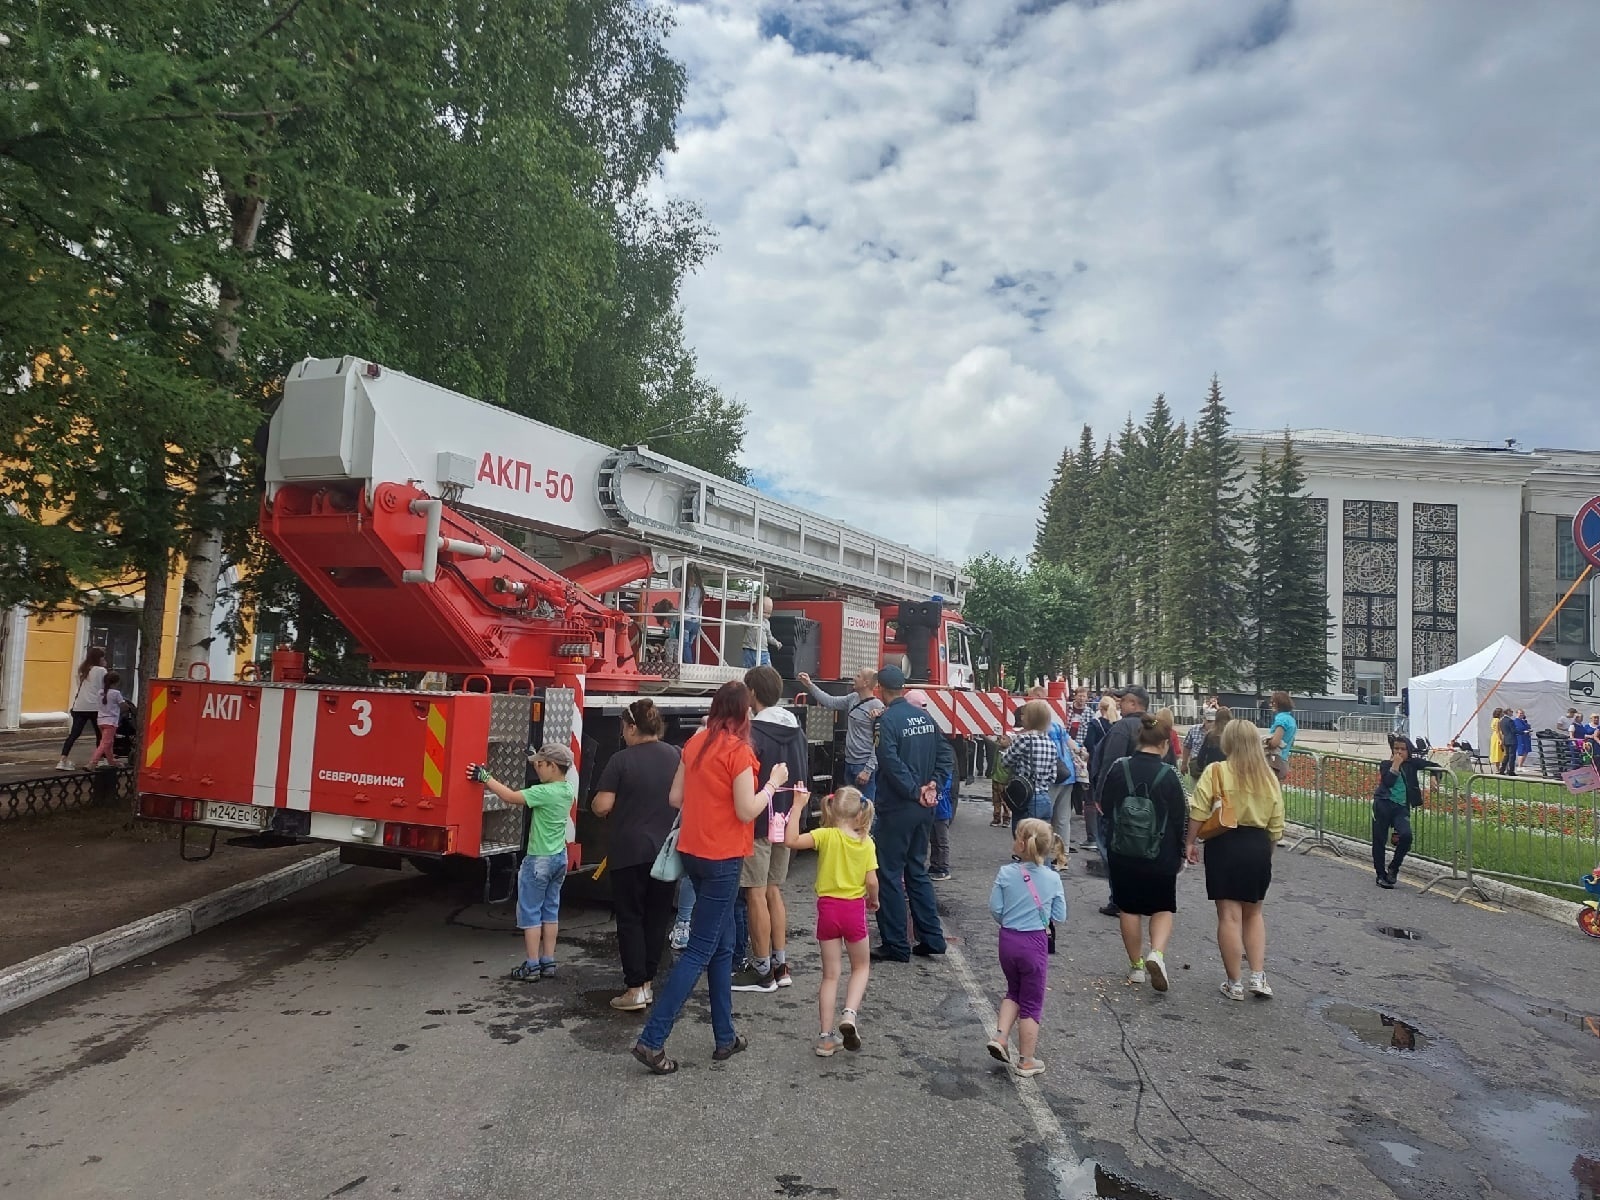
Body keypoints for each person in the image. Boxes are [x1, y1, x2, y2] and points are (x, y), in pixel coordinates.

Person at [633, 681, 789, 1075]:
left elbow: (674, 799)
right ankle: (652, 1040)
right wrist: (772, 783)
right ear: (743, 713)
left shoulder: (696, 743)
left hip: (692, 851)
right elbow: (746, 810)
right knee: (702, 949)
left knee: (722, 945)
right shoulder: (740, 752)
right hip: (723, 856)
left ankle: (725, 1037)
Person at [590, 700, 681, 1011]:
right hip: (665, 851)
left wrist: (595, 807)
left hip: (629, 849)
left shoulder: (620, 760)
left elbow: (602, 805)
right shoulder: (675, 756)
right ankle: (647, 984)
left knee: (631, 919)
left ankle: (633, 988)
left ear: (631, 727)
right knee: (657, 918)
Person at [1185, 720, 1285, 1001]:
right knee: (1254, 913)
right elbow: (1276, 825)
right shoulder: (1269, 778)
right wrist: (1268, 853)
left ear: (1227, 742)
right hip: (1258, 846)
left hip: (1224, 844)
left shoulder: (1217, 771)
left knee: (1229, 916)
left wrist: (1190, 842)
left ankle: (1235, 983)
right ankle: (1258, 976)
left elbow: (1198, 809)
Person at [783, 785, 879, 1055]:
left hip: (828, 910)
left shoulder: (825, 835)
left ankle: (825, 1037)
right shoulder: (866, 842)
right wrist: (875, 900)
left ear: (832, 808)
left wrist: (798, 806)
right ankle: (849, 1014)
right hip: (853, 910)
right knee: (860, 966)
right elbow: (872, 881)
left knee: (830, 975)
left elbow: (790, 841)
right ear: (860, 812)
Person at [471, 744, 577, 981]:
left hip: (538, 861)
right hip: (559, 858)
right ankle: (548, 961)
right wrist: (533, 757)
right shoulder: (566, 790)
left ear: (552, 766)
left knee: (530, 913)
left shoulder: (543, 792)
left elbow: (510, 797)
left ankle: (532, 965)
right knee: (550, 911)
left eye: (541, 764)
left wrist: (485, 777)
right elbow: (548, 773)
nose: (537, 768)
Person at [732, 666, 809, 994]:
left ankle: (761, 969)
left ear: (752, 692)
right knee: (774, 890)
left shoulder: (752, 733)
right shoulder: (797, 729)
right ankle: (780, 963)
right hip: (787, 817)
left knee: (755, 893)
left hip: (760, 819)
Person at [1099, 712, 1187, 991]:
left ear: (1138, 740)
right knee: (1162, 906)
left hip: (1123, 849)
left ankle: (1136, 966)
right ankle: (1156, 954)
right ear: (1163, 745)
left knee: (1129, 907)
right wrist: (1182, 851)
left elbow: (1104, 803)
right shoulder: (1169, 775)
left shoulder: (1118, 767)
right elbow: (1179, 817)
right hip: (1160, 851)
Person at [870, 665, 953, 962]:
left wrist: (912, 789)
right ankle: (932, 938)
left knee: (889, 874)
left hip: (898, 807)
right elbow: (946, 754)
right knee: (917, 871)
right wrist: (933, 784)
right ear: (903, 687)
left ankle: (895, 943)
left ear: (880, 689)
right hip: (925, 808)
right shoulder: (926, 717)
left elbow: (889, 762)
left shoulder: (887, 721)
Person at [985, 817, 1066, 1078]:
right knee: (1031, 1002)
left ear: (1020, 843)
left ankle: (1000, 1036)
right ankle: (1027, 1060)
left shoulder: (1006, 873)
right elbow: (1061, 915)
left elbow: (995, 908)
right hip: (1034, 942)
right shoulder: (1053, 879)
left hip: (1007, 940)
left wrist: (1008, 921)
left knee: (1013, 990)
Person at [1090, 685, 1150, 917]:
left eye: (1123, 701)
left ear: (1134, 704)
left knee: (1114, 849)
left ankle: (1119, 898)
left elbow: (1109, 765)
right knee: (1143, 849)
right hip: (1150, 801)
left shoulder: (1121, 728)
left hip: (1121, 802)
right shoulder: (1154, 725)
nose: (1119, 705)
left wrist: (1100, 796)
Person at [799, 668, 884, 799]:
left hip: (863, 766)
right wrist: (810, 685)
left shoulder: (877, 706)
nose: (854, 678)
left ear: (866, 683)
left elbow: (879, 742)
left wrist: (868, 770)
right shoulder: (853, 698)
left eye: (858, 676)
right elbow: (830, 701)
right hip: (850, 763)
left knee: (865, 809)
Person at [1371, 737, 1440, 889]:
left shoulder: (1412, 764)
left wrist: (1434, 776)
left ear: (1409, 751)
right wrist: (1395, 765)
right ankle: (1380, 875)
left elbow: (1435, 765)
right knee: (1379, 841)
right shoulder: (1386, 765)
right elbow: (1388, 782)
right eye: (1396, 749)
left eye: (1403, 749)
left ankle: (1394, 867)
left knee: (1406, 836)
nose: (1399, 752)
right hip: (1382, 804)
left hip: (1400, 808)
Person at [999, 699, 1060, 835]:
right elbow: (1053, 776)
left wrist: (1004, 749)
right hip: (1045, 799)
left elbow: (1005, 762)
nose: (1021, 717)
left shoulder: (1023, 739)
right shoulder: (1051, 743)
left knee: (1025, 845)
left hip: (1026, 800)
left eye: (1024, 714)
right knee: (1039, 845)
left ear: (1031, 718)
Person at [57, 646, 108, 770]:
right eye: (103, 657)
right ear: (99, 658)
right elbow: (104, 687)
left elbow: (79, 686)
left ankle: (62, 760)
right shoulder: (101, 670)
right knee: (100, 734)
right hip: (95, 707)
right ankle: (101, 760)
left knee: (74, 734)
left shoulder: (82, 670)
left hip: (80, 706)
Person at [1079, 695, 1117, 850]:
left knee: (1090, 801)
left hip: (1095, 766)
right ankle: (1107, 835)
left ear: (1100, 709)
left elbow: (1088, 743)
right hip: (1112, 768)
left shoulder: (1095, 724)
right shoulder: (1118, 725)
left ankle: (1092, 838)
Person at [84, 671, 128, 769]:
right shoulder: (116, 693)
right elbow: (123, 706)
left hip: (100, 721)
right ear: (117, 682)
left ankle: (111, 761)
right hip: (111, 722)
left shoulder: (100, 692)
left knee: (109, 742)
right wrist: (126, 706)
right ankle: (92, 763)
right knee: (105, 743)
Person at [928, 764, 955, 880]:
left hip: (942, 812)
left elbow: (945, 786)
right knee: (934, 840)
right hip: (933, 811)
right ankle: (934, 865)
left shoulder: (946, 776)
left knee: (942, 841)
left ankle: (943, 867)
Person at [1264, 691, 1297, 782]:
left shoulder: (1281, 719)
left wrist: (1265, 741)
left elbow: (1275, 742)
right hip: (1283, 759)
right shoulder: (1291, 720)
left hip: (1275, 761)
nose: (1270, 704)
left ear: (1279, 703)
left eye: (1273, 702)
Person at [741, 595, 781, 668]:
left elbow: (769, 636)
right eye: (764, 613)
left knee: (767, 668)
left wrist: (776, 642)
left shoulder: (766, 623)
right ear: (757, 608)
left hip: (763, 650)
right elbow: (740, 620)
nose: (766, 616)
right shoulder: (749, 617)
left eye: (769, 614)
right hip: (749, 648)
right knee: (748, 667)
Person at [681, 564, 704, 664]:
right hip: (696, 621)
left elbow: (674, 578)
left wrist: (682, 567)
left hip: (687, 620)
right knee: (689, 645)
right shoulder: (701, 590)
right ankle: (688, 662)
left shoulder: (686, 589)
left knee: (684, 645)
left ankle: (688, 664)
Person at [1180, 712, 1211, 779]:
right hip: (1196, 764)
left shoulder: (1219, 731)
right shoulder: (1194, 729)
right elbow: (1187, 746)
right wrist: (1184, 764)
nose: (1211, 724)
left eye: (1213, 721)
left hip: (1212, 765)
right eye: (1209, 721)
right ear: (1204, 719)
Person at [1497, 707, 1519, 776]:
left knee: (1506, 756)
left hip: (1506, 739)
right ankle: (1511, 771)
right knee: (1512, 756)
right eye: (1511, 711)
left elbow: (1502, 731)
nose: (1512, 713)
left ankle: (1502, 769)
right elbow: (1514, 731)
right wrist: (1523, 732)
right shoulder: (1510, 721)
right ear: (1508, 712)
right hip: (1512, 740)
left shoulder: (1501, 721)